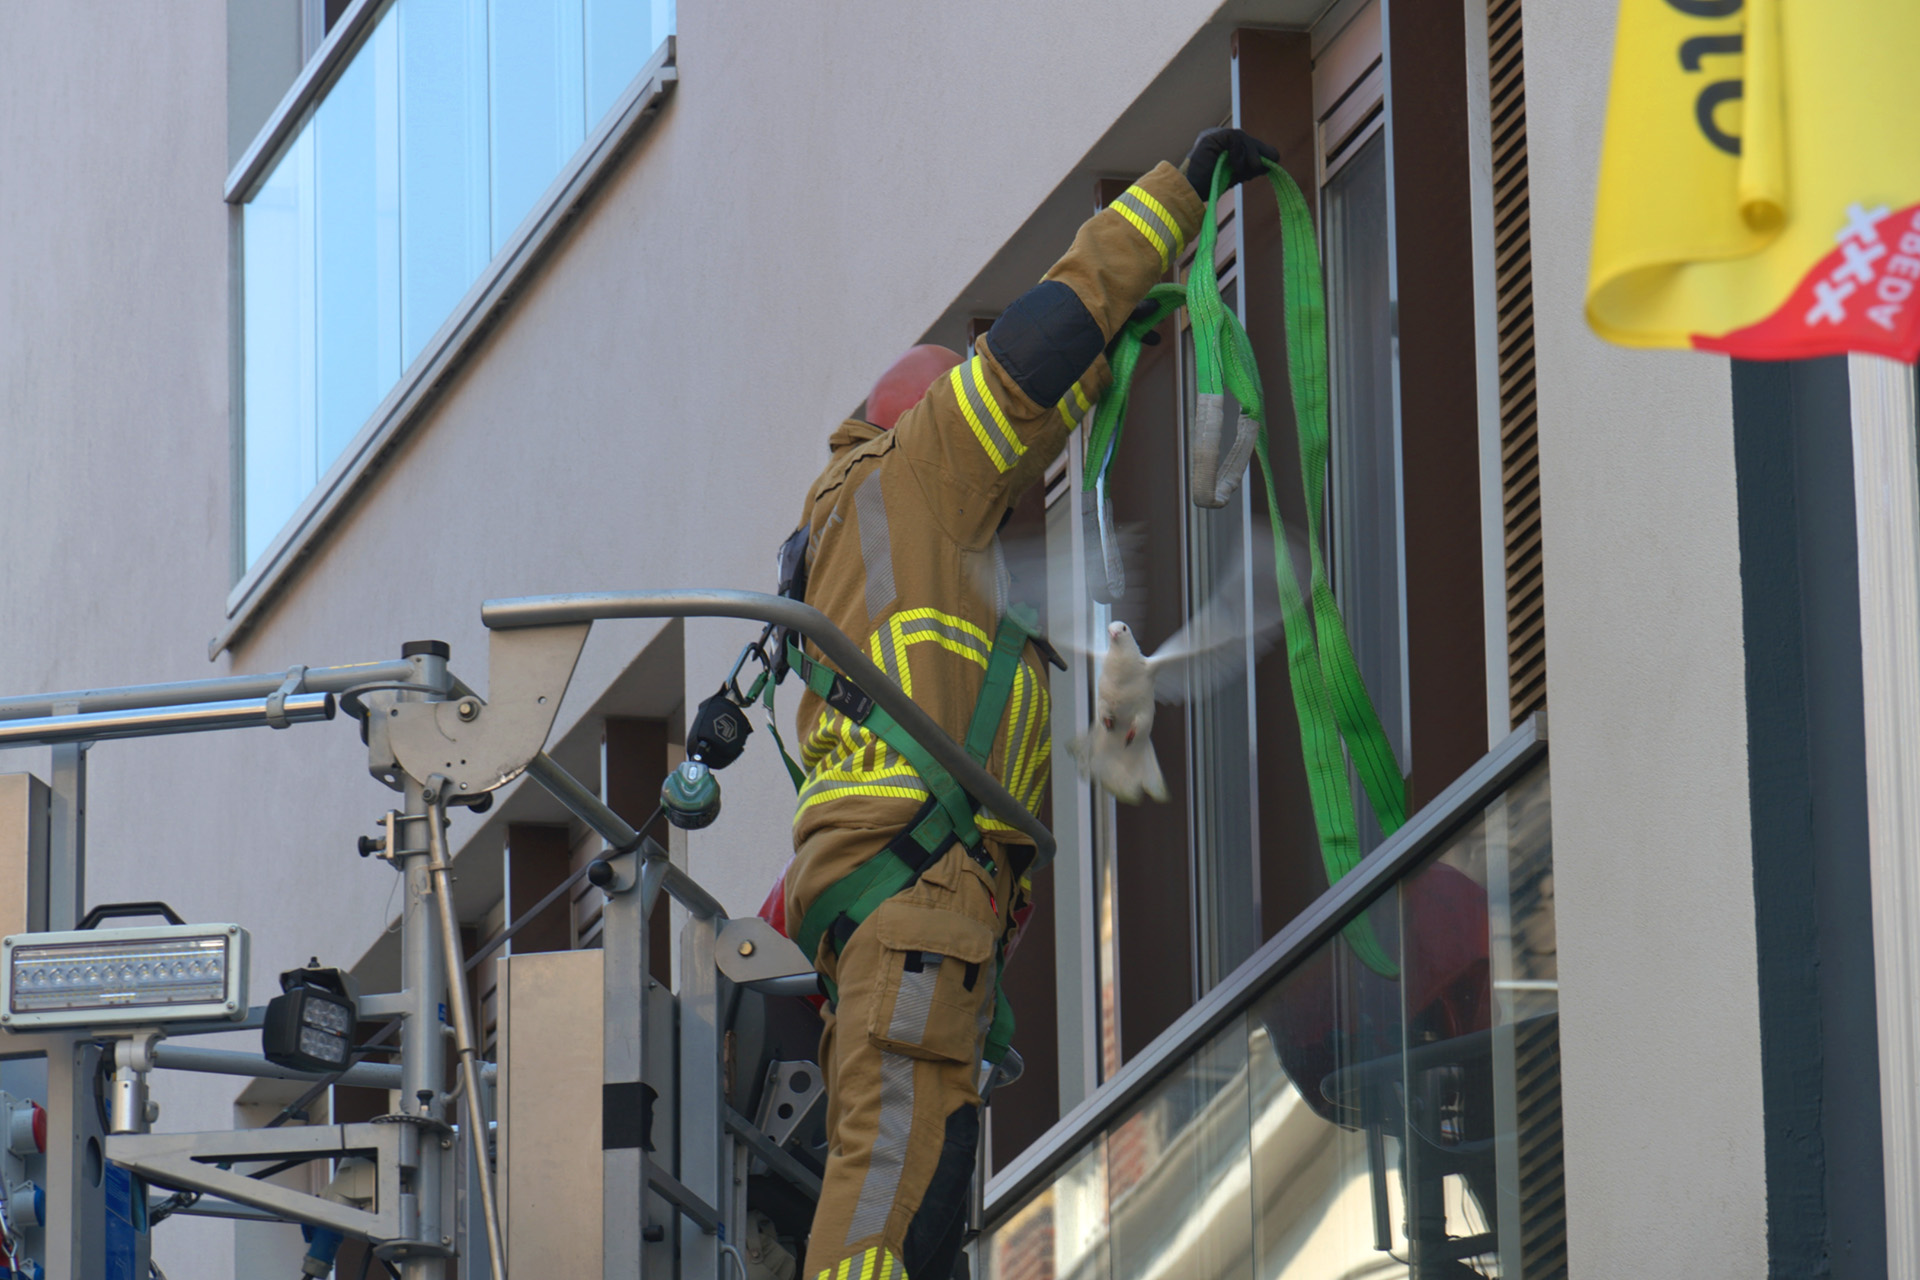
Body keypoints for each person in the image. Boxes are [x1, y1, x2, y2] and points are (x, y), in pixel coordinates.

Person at [779, 128, 1279, 1280]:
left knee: (924, 1193)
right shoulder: (922, 466)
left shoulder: (876, 560)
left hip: (908, 920)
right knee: (890, 1196)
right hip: (920, 910)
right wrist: (1181, 196)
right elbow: (1045, 344)